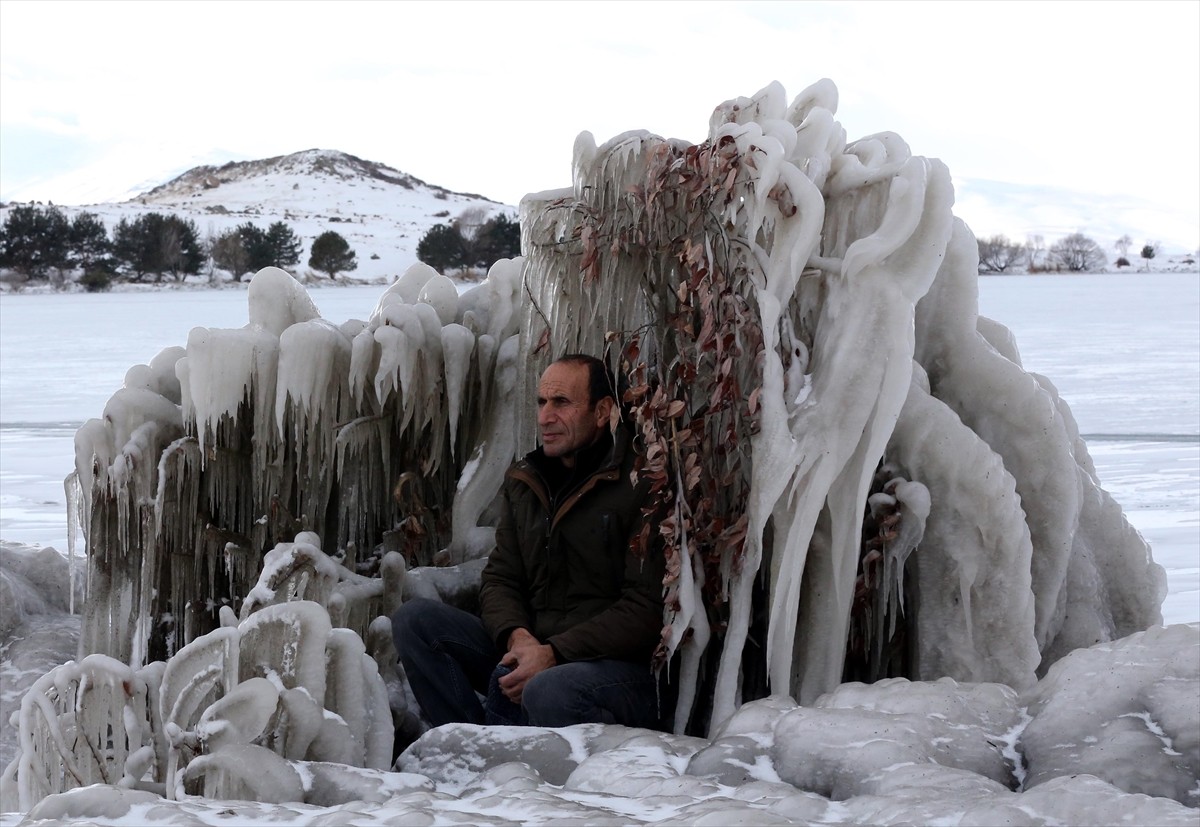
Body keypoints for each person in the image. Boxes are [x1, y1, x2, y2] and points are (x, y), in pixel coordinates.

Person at [391, 354, 665, 730]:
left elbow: (645, 609)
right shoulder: (526, 482)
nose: (545, 417)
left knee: (549, 690)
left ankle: (525, 756)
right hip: (533, 649)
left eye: (562, 403)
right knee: (415, 621)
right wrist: (517, 638)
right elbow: (501, 579)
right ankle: (471, 745)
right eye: (541, 402)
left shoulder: (640, 483)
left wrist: (554, 654)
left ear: (602, 411)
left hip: (611, 669)